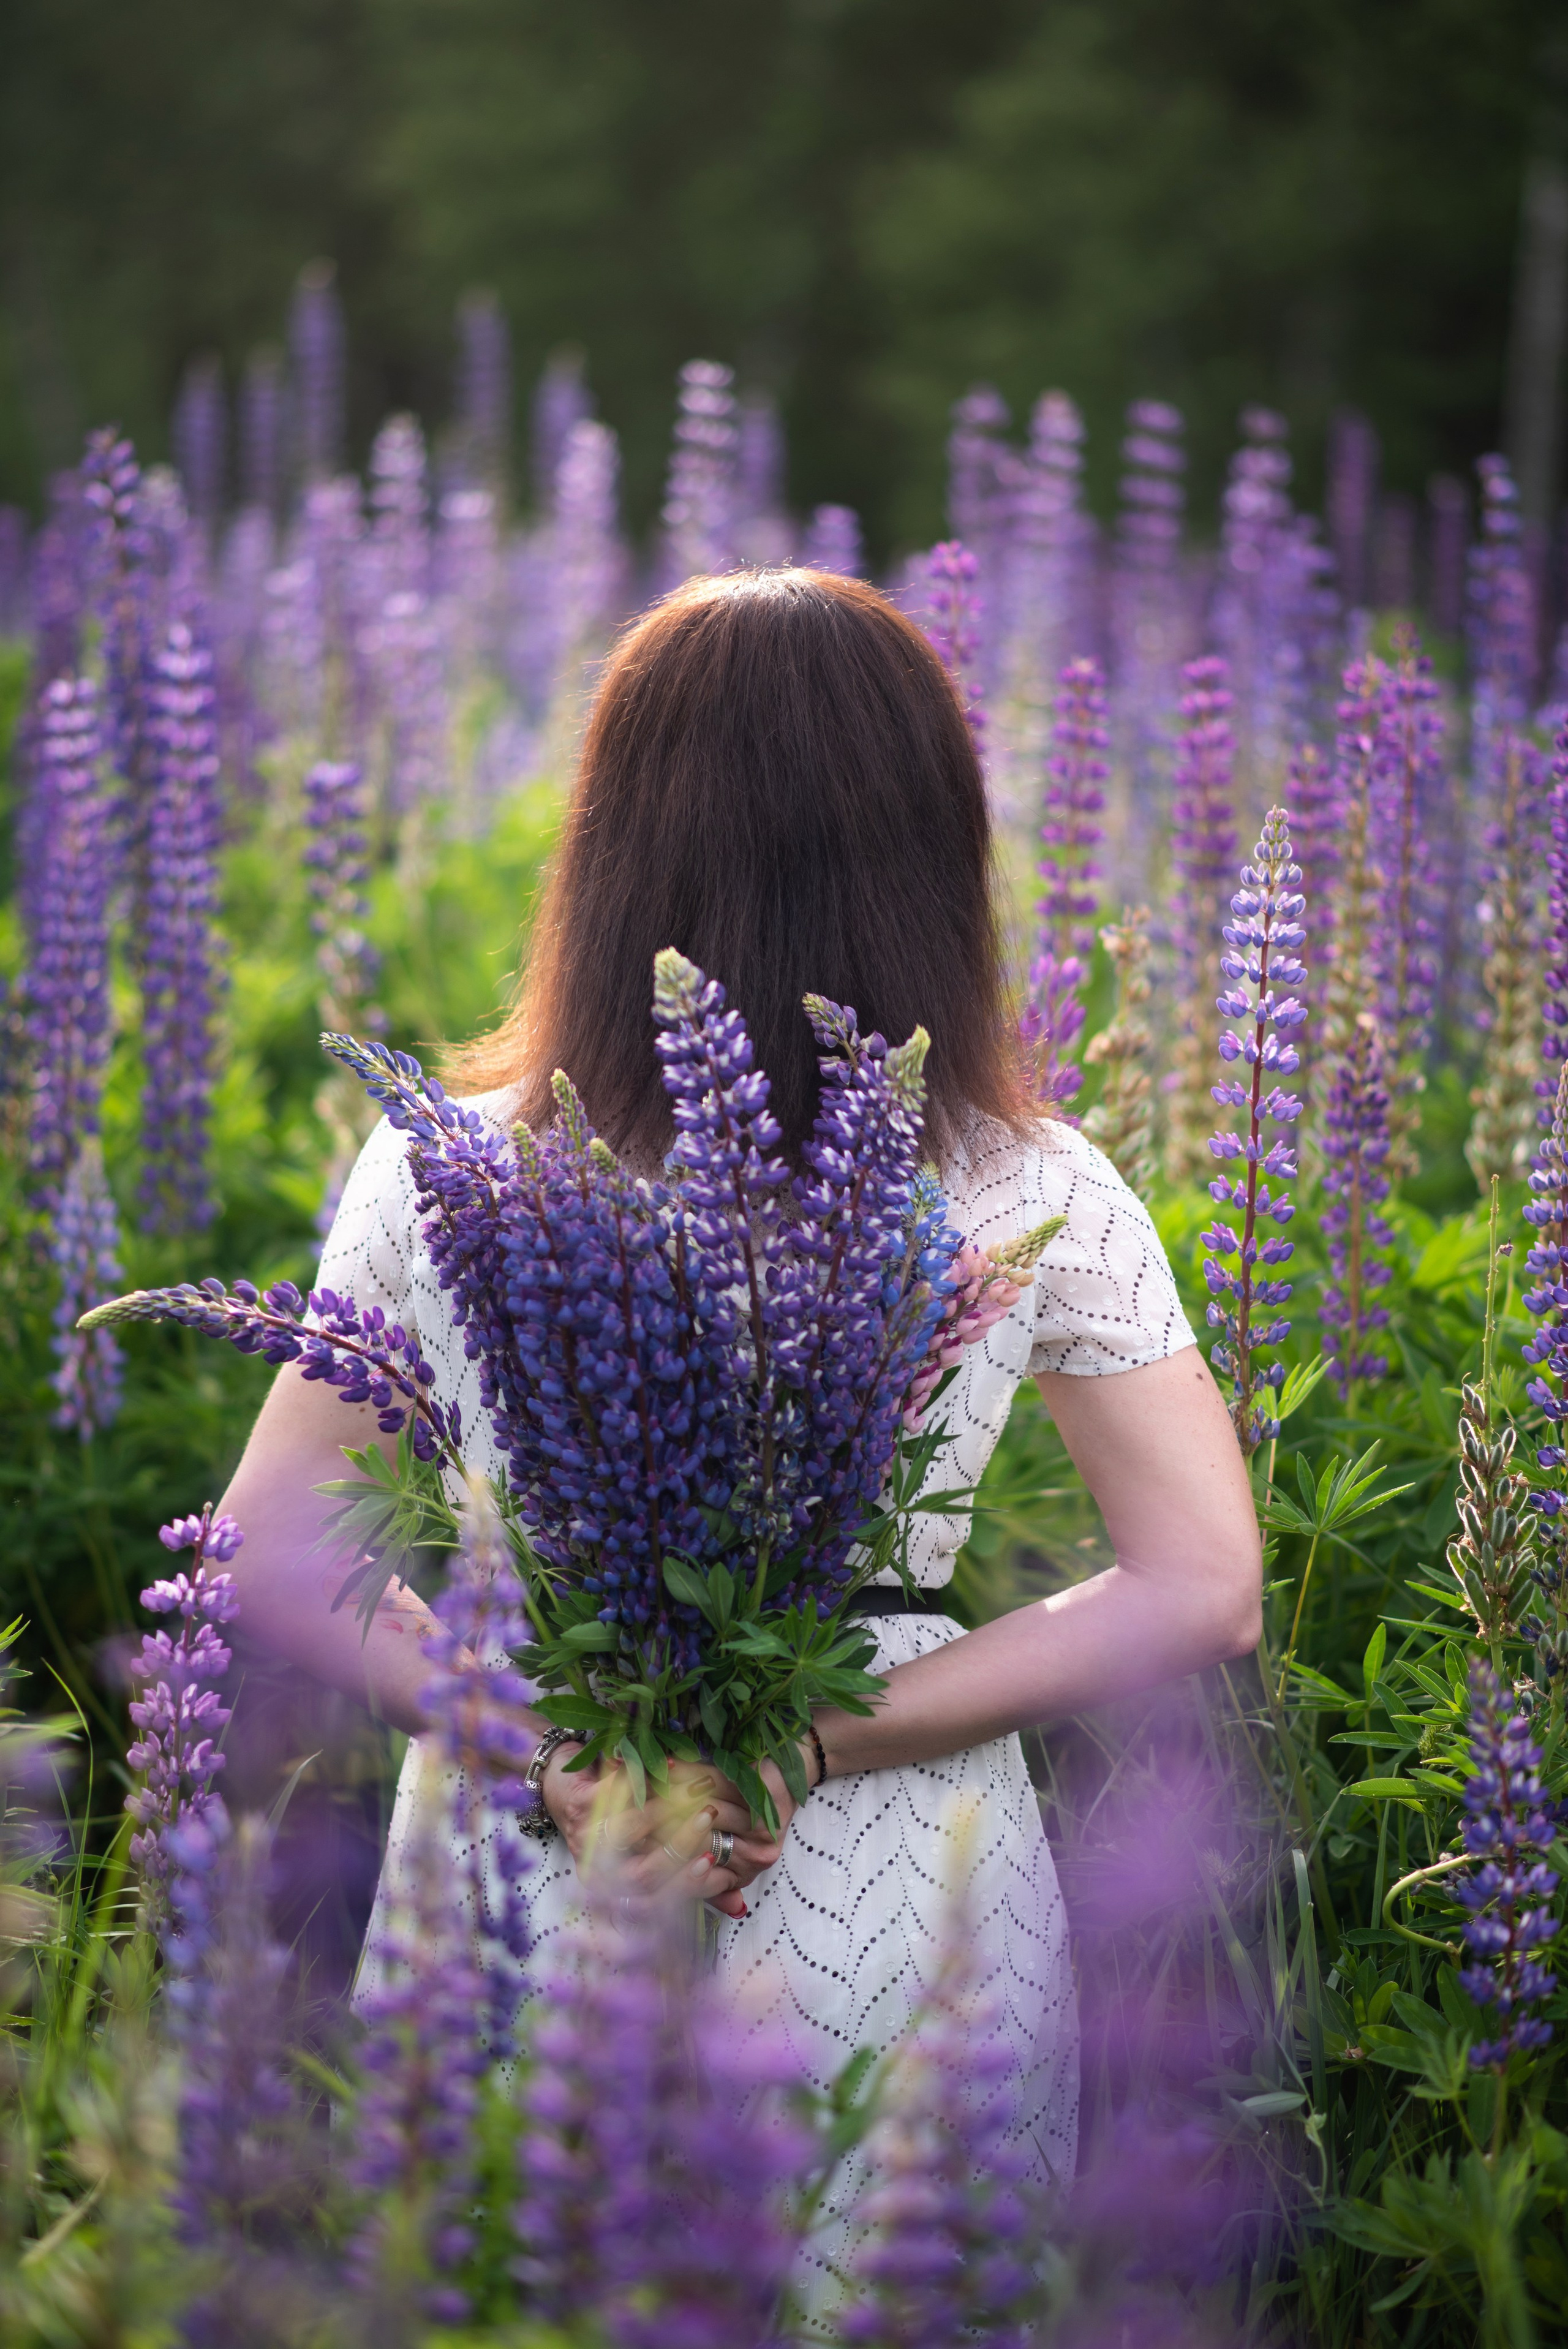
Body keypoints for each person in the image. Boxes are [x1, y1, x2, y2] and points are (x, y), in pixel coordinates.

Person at [217, 567, 1261, 2302]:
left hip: (533, 1865)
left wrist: (549, 1744)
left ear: (617, 838)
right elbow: (1208, 1581)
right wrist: (824, 1738)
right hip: (906, 1894)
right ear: (931, 844)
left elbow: (270, 1544)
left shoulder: (449, 1163)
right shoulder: (1028, 1182)